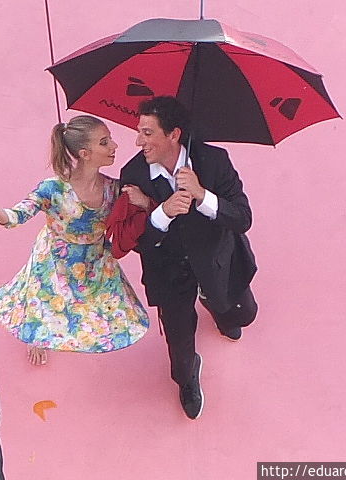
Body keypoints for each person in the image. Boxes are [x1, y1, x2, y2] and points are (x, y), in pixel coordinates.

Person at [0, 115, 150, 366]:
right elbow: (14, 218)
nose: (114, 146)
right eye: (104, 142)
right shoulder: (53, 188)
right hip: (54, 257)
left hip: (95, 259)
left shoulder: (114, 189)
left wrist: (143, 202)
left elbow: (136, 218)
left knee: (106, 314)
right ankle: (37, 337)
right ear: (84, 154)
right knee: (45, 304)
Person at [120, 96, 258, 419]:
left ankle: (211, 300)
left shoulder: (214, 161)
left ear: (174, 134)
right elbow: (135, 242)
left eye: (147, 133)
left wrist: (202, 195)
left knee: (243, 315)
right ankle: (187, 378)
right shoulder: (133, 174)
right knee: (179, 350)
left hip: (215, 261)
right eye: (139, 132)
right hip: (169, 272)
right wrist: (162, 213)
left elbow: (242, 218)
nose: (139, 141)